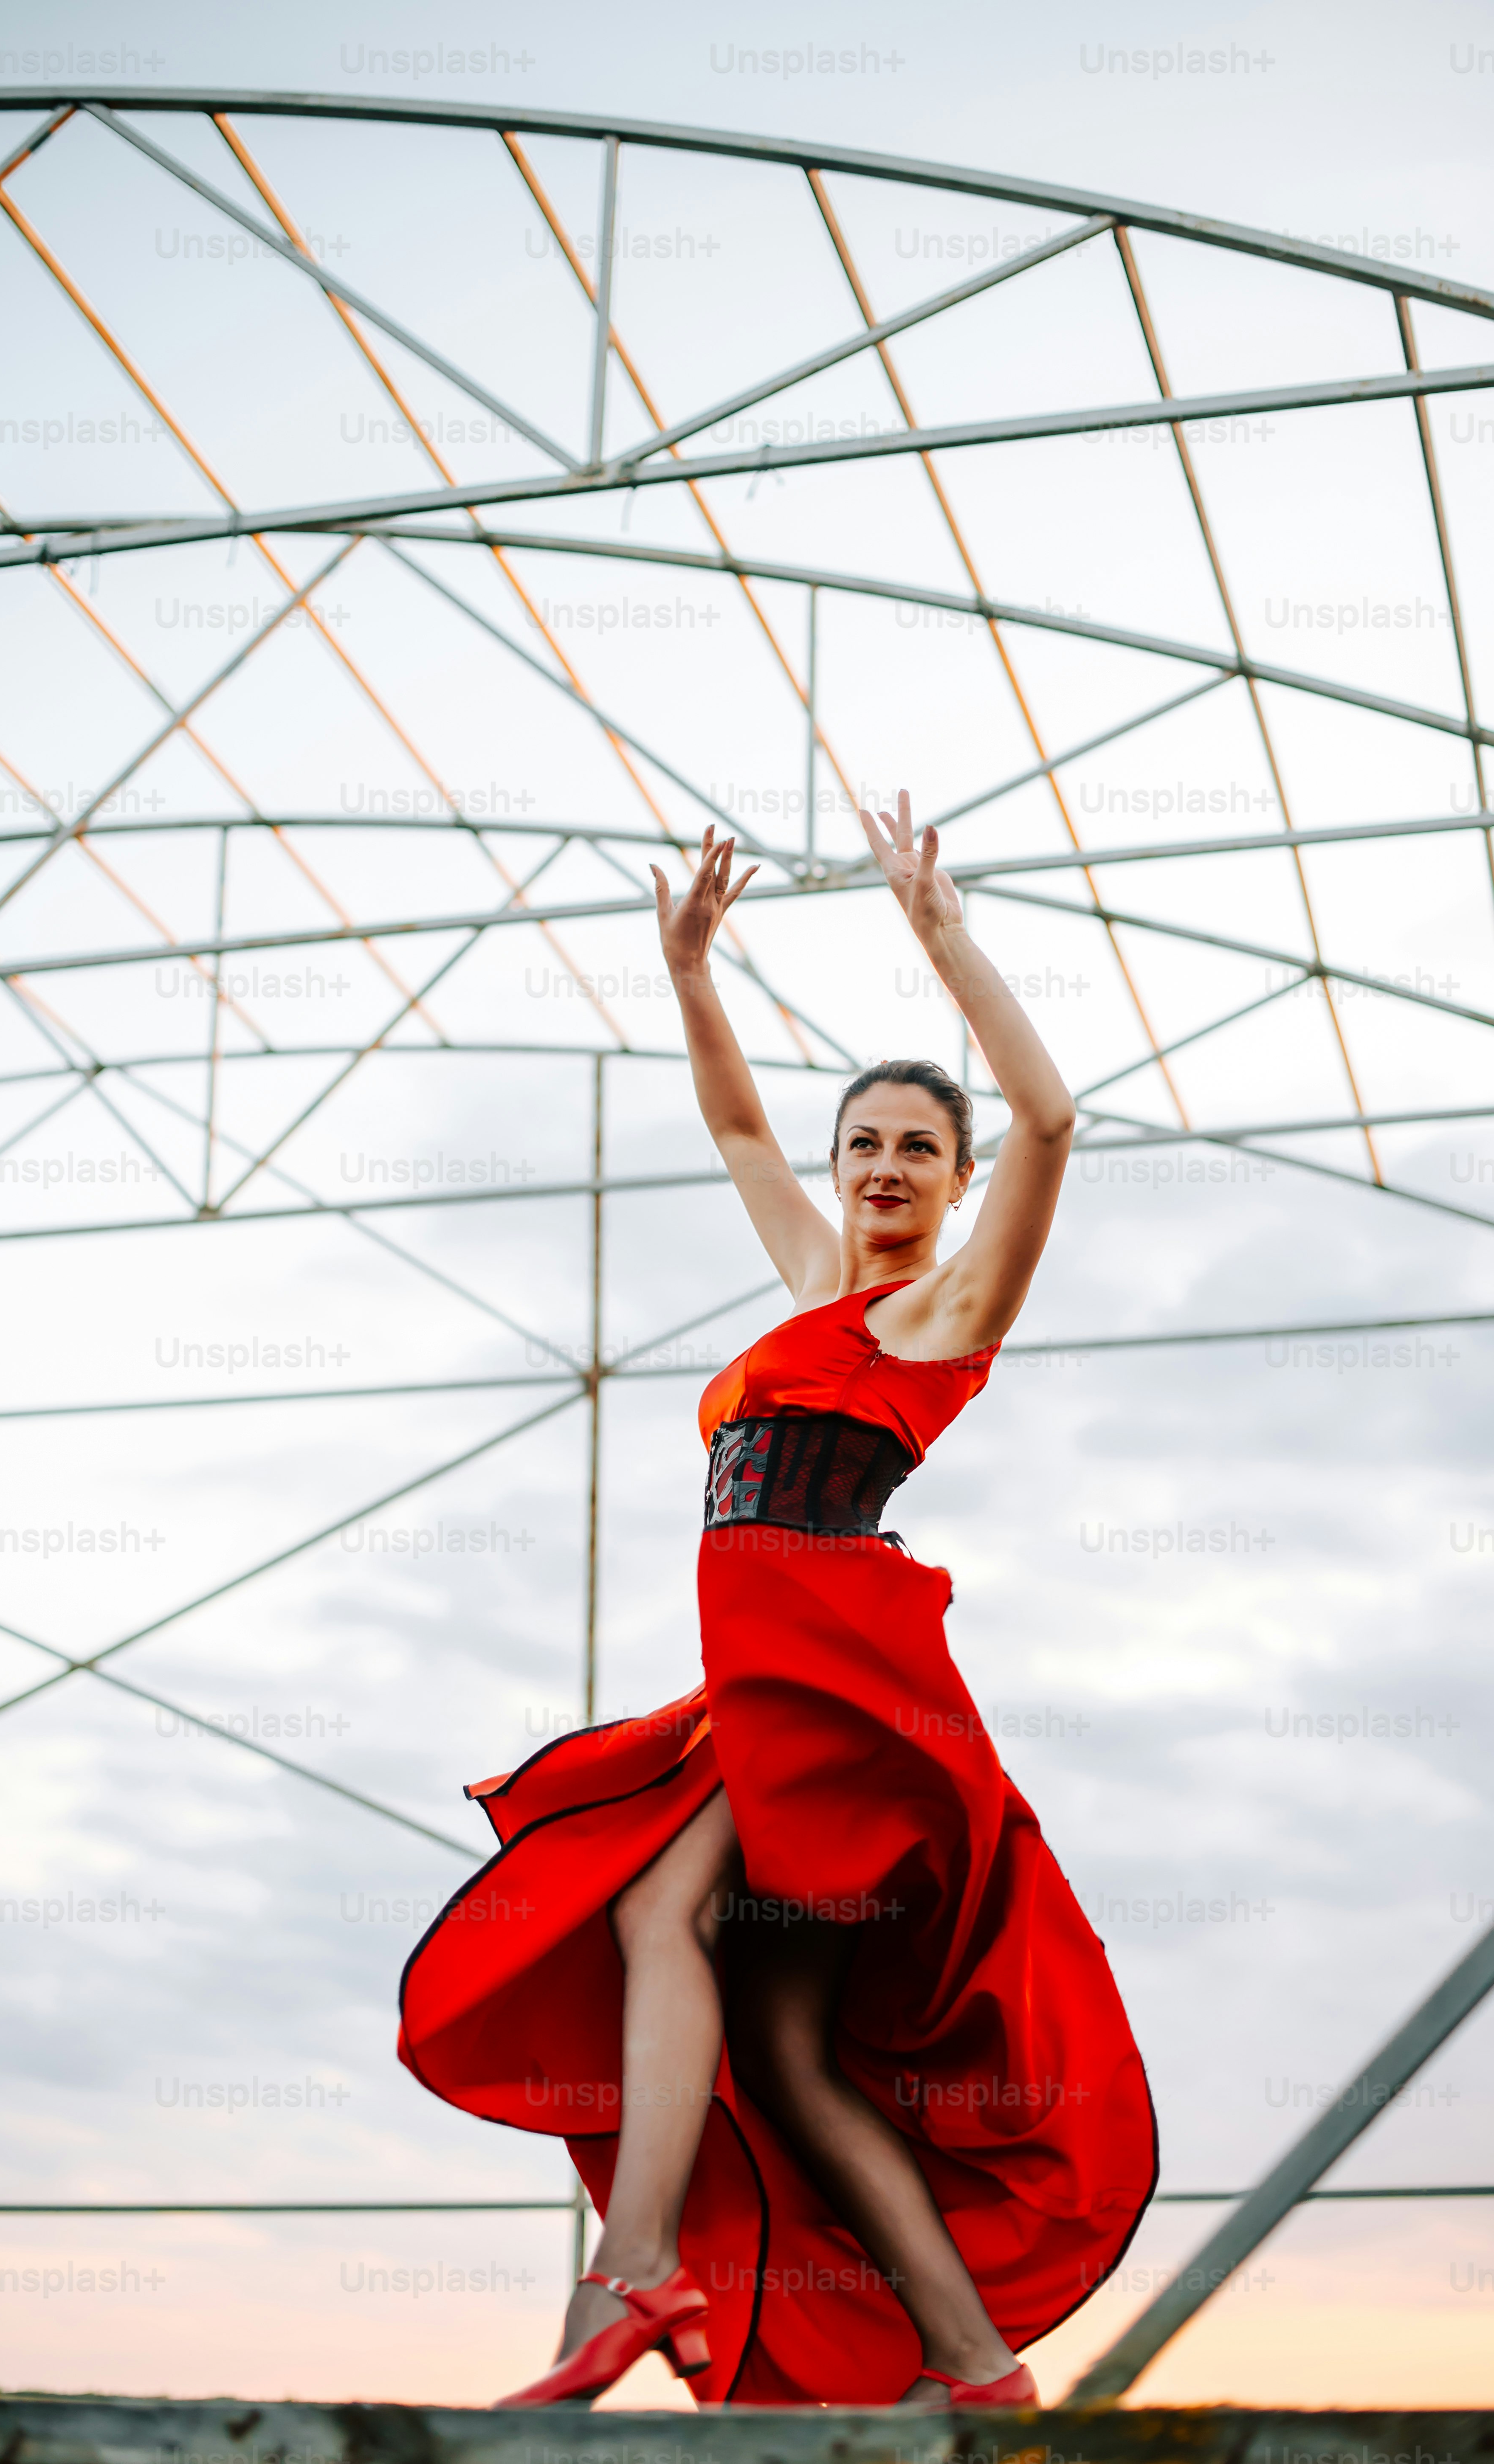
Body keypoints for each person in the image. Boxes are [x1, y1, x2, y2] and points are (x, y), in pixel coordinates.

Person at [398, 795, 1157, 2410]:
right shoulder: (824, 1293)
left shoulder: (943, 1310)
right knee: (795, 2060)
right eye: (865, 1144)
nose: (884, 1168)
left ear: (956, 1185)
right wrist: (691, 972)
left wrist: (938, 935)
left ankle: (635, 2272)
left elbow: (1057, 1116)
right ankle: (972, 2363)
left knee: (652, 1911)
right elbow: (742, 1134)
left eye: (916, 1151)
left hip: (833, 1674)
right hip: (760, 1670)